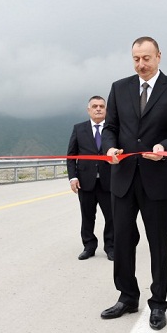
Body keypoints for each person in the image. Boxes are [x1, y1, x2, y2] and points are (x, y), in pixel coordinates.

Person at [100, 36, 167, 331]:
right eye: (136, 59)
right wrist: (110, 148)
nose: (141, 64)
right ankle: (127, 296)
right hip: (123, 178)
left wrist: (164, 147)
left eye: (146, 58)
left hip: (157, 179)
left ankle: (158, 304)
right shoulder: (119, 88)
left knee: (157, 243)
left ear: (159, 56)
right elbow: (111, 128)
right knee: (123, 240)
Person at [67, 96, 114, 261]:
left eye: (102, 106)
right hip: (86, 181)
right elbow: (71, 155)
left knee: (112, 216)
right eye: (95, 106)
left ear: (106, 109)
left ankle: (111, 247)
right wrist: (72, 178)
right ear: (89, 110)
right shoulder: (79, 129)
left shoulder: (113, 129)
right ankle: (89, 246)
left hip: (109, 181)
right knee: (87, 216)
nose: (98, 109)